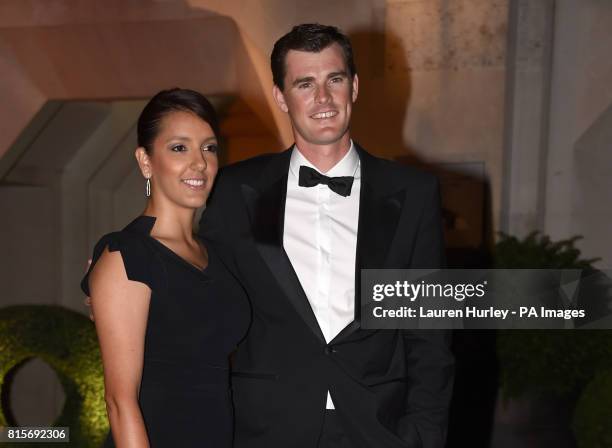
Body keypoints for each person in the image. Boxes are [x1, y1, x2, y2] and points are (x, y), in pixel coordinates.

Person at [199, 24, 454, 448]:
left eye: (334, 79)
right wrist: (124, 273)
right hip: (267, 428)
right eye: (304, 83)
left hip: (380, 427)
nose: (322, 98)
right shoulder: (236, 191)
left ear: (353, 87)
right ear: (281, 96)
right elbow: (201, 289)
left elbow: (428, 333)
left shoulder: (412, 193)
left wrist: (424, 433)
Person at [81, 88, 250, 447]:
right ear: (145, 161)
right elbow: (119, 402)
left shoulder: (217, 254)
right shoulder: (126, 254)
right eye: (179, 147)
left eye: (209, 147)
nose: (199, 163)